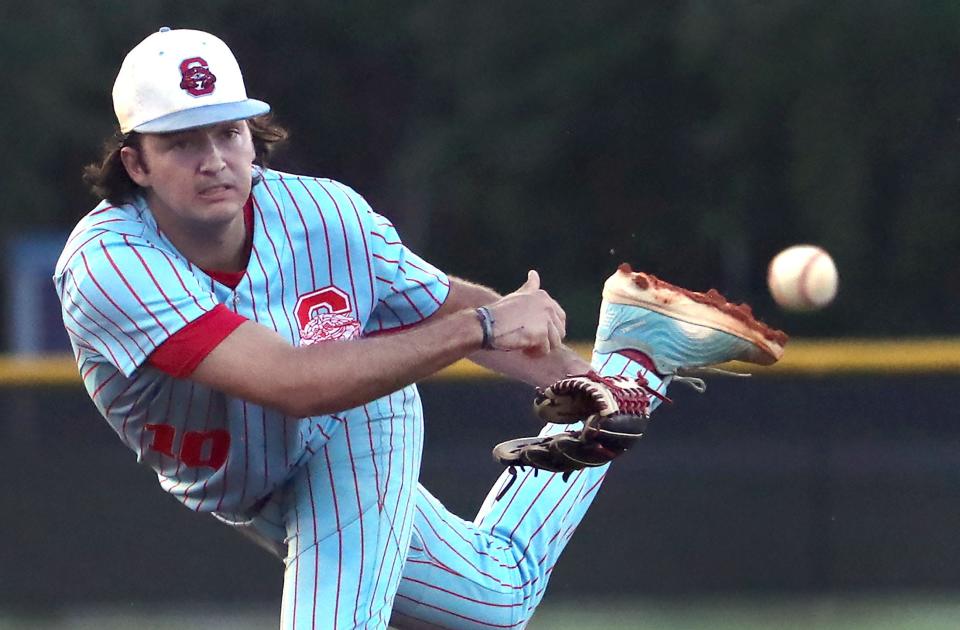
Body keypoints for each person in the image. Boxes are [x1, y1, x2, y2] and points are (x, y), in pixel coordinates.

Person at [56, 28, 787, 629]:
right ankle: (639, 352)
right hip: (263, 476)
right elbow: (288, 383)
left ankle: (626, 366)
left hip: (353, 426)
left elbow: (437, 304)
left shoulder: (324, 215)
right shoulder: (111, 265)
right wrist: (488, 329)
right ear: (135, 164)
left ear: (254, 138)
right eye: (183, 140)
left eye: (228, 131)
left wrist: (585, 388)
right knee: (497, 596)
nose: (214, 158)